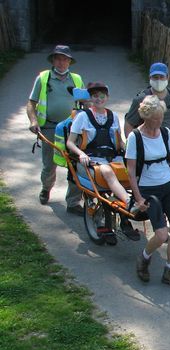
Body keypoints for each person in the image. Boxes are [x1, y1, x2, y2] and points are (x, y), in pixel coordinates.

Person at [125, 95, 170, 290]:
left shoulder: (165, 133)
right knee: (160, 235)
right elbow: (131, 172)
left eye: (161, 117)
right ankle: (144, 258)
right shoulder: (135, 137)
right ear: (146, 117)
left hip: (169, 187)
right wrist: (139, 198)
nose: (160, 121)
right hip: (149, 190)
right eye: (156, 118)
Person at [65, 82, 139, 244]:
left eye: (102, 96)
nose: (98, 99)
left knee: (135, 169)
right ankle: (128, 202)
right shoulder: (82, 117)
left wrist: (129, 151)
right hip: (92, 158)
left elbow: (119, 142)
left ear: (107, 97)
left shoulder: (112, 117)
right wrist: (81, 153)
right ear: (90, 98)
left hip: (113, 157)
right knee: (107, 171)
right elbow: (70, 143)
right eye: (95, 96)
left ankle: (139, 201)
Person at [26, 45, 84, 214]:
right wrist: (33, 120)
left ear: (69, 62)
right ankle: (46, 188)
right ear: (53, 60)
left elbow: (85, 103)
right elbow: (31, 102)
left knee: (76, 164)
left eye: (65, 59)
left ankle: (73, 203)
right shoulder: (43, 78)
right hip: (50, 127)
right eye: (58, 58)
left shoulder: (77, 79)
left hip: (72, 129)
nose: (61, 62)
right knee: (50, 164)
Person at [124, 62, 170, 186]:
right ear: (150, 78)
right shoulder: (141, 99)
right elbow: (129, 124)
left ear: (167, 78)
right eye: (155, 77)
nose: (159, 80)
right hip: (150, 154)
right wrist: (134, 148)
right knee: (153, 186)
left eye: (162, 77)